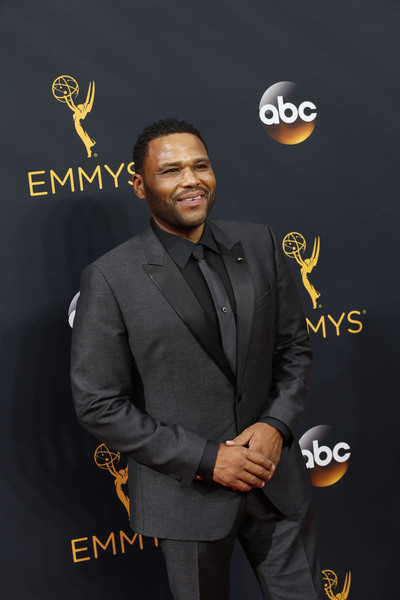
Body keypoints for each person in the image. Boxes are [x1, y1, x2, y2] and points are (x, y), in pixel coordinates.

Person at [71, 118, 323, 600]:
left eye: (200, 166)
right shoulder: (110, 278)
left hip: (277, 483)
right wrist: (208, 459)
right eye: (171, 171)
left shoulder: (261, 244)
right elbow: (98, 404)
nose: (191, 180)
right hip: (186, 499)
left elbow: (293, 348)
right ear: (139, 185)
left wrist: (276, 425)